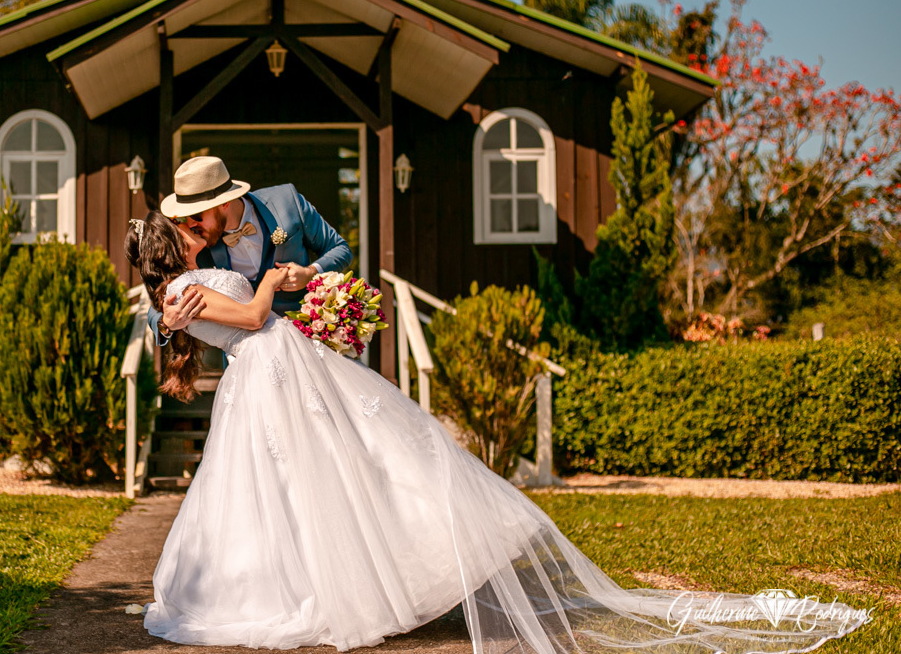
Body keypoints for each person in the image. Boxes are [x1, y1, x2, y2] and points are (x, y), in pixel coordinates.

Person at [123, 212, 873, 654]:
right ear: (170, 246)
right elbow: (254, 317)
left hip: (275, 372)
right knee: (311, 476)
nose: (196, 232)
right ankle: (315, 586)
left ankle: (326, 576)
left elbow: (193, 322)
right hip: (270, 369)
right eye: (183, 229)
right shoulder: (185, 288)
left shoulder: (177, 292)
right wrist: (276, 279)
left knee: (319, 476)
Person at [146, 155, 352, 349]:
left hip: (310, 340)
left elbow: (340, 248)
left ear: (224, 203)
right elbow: (164, 291)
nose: (191, 224)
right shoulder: (197, 246)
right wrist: (165, 323)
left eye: (197, 215)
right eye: (185, 217)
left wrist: (310, 273)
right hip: (248, 359)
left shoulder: (287, 202)